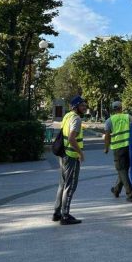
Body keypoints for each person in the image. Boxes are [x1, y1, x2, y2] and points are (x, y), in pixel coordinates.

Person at [52, 95, 87, 225]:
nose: (84, 107)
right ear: (75, 107)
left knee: (62, 184)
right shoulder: (76, 119)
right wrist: (80, 153)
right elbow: (72, 138)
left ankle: (57, 213)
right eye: (82, 105)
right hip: (71, 155)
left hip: (63, 154)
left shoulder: (68, 116)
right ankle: (65, 216)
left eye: (85, 105)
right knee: (70, 185)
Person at [103, 101, 132, 201]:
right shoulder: (128, 117)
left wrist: (106, 147)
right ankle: (116, 190)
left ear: (113, 109)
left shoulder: (109, 121)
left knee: (121, 170)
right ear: (121, 108)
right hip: (129, 147)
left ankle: (130, 194)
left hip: (118, 148)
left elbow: (107, 136)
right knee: (124, 170)